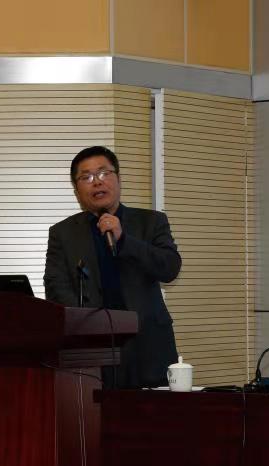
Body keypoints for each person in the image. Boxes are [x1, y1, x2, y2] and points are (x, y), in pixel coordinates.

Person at [44, 146, 181, 388]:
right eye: (86, 177)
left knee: (151, 410)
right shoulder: (62, 233)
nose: (97, 182)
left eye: (103, 173)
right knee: (95, 409)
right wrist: (88, 326)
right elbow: (56, 287)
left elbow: (169, 268)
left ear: (118, 179)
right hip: (92, 346)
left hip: (147, 344)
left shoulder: (151, 221)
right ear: (76, 190)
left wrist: (124, 239)